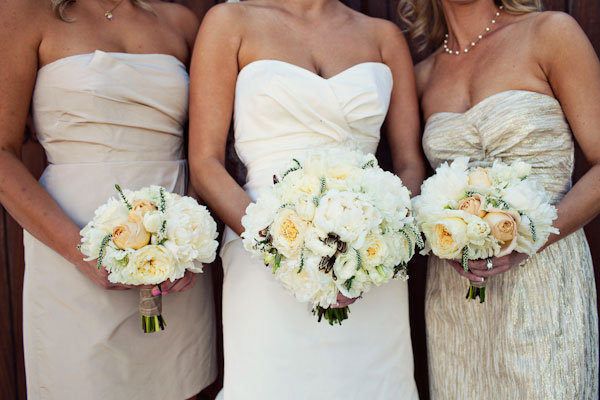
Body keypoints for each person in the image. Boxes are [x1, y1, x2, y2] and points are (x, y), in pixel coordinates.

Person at [188, 0, 425, 398]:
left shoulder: (383, 37)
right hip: (263, 253)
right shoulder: (231, 22)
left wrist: (379, 243)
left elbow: (409, 164)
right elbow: (206, 164)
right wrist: (284, 249)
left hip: (369, 260)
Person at [0, 1, 216, 398]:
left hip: (174, 258)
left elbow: (203, 150)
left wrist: (192, 244)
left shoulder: (180, 21)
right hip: (70, 242)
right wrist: (80, 251)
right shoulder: (25, 13)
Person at [399, 0, 600, 397]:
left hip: (543, 279)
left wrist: (529, 240)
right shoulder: (423, 75)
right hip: (457, 296)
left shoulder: (551, 34)